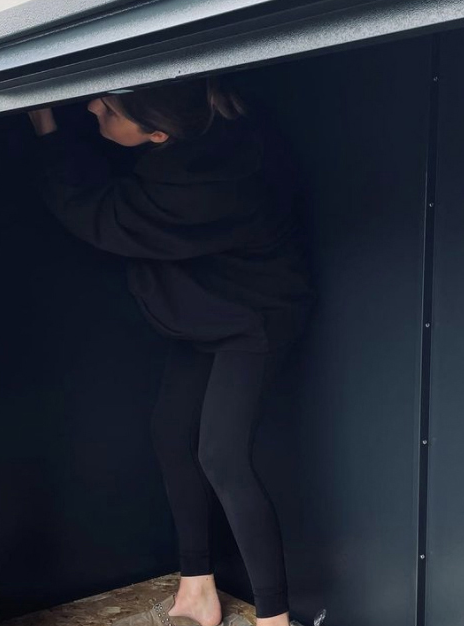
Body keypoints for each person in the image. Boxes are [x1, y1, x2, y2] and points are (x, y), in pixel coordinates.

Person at [28, 77, 314, 626]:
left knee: (222, 457)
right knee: (170, 434)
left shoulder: (209, 181)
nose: (92, 107)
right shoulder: (205, 125)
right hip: (205, 311)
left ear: (158, 134)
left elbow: (100, 215)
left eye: (109, 110)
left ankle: (274, 619)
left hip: (252, 320)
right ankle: (197, 589)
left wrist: (44, 125)